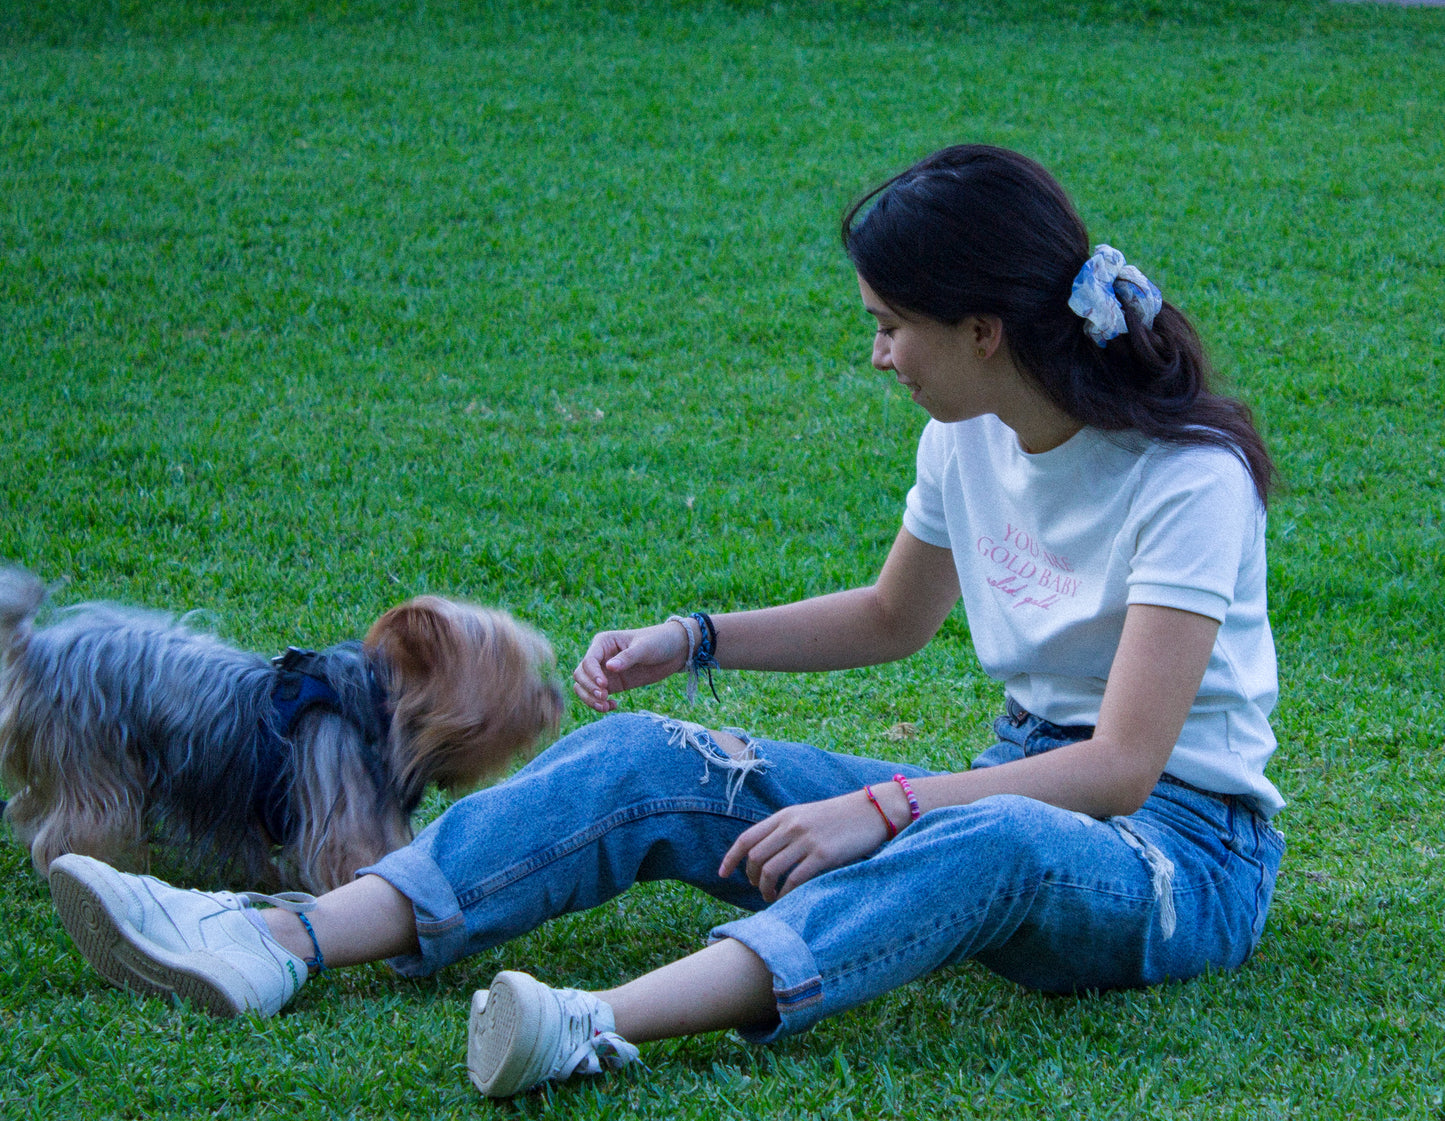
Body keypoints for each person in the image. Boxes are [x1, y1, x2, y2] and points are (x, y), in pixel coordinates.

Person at [45, 144, 1285, 1099]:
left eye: (890, 323)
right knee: (651, 756)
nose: (877, 352)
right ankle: (281, 936)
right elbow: (892, 616)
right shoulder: (963, 435)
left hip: (1175, 850)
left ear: (982, 328)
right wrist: (690, 639)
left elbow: (1121, 768)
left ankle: (592, 1023)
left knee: (992, 833)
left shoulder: (1183, 478)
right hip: (1009, 776)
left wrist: (889, 803)